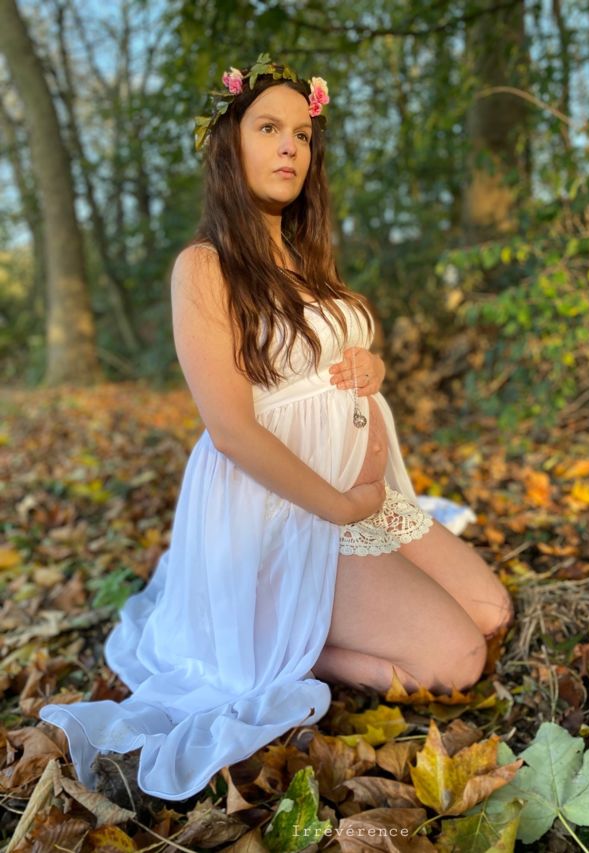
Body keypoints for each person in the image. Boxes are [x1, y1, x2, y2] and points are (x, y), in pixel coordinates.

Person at [39, 54, 513, 802]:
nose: (290, 146)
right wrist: (342, 505)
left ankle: (302, 624)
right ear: (230, 145)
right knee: (457, 660)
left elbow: (328, 357)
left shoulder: (305, 256)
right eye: (268, 128)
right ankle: (289, 645)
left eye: (302, 133)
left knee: (493, 611)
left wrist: (372, 367)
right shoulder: (206, 267)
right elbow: (231, 429)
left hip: (362, 498)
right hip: (286, 513)